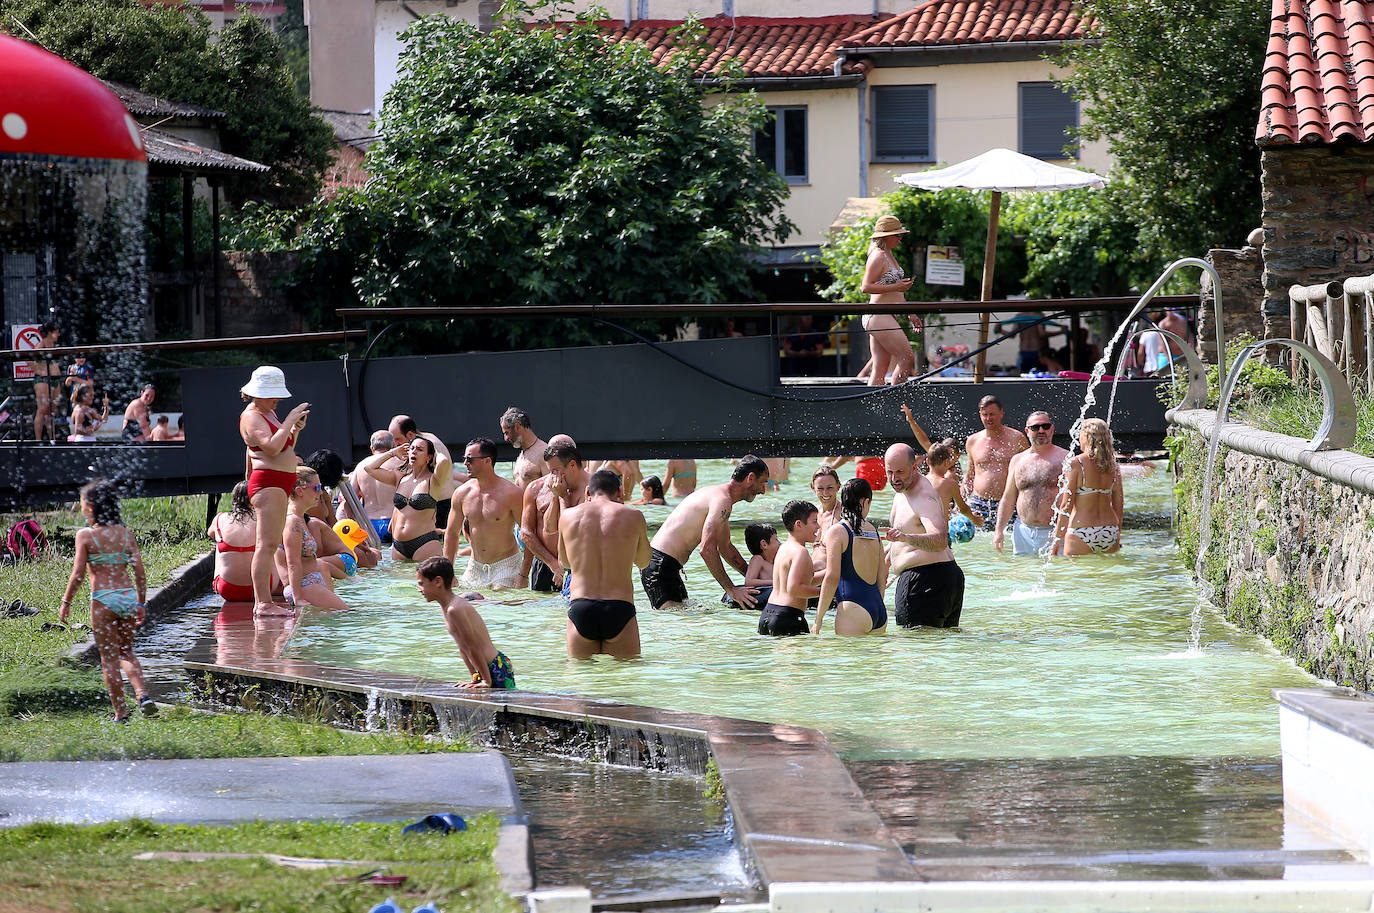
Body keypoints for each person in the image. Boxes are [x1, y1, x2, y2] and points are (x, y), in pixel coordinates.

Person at [60, 480, 156, 723]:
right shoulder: (126, 534)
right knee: (127, 652)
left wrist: (66, 602)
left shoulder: (86, 536)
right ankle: (143, 695)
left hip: (103, 600)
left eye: (81, 504)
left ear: (90, 507)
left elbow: (79, 574)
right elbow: (140, 573)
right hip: (126, 598)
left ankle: (120, 714)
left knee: (109, 659)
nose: (80, 508)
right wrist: (141, 604)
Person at [642, 455, 769, 610]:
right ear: (750, 478)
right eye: (762, 482)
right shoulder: (721, 501)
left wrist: (754, 577)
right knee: (676, 624)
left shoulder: (722, 498)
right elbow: (707, 550)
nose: (763, 490)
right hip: (659, 566)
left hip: (667, 566)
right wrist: (731, 589)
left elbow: (726, 548)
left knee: (684, 620)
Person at [558, 468, 651, 658]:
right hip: (619, 608)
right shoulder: (634, 516)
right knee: (626, 680)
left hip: (581, 607)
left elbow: (564, 562)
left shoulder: (567, 516)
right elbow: (644, 562)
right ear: (620, 492)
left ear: (587, 493)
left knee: (580, 679)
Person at [238, 366, 309, 617]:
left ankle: (265, 601)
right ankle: (263, 603)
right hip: (268, 483)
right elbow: (269, 448)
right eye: (273, 395)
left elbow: (283, 448)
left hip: (279, 481)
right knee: (266, 545)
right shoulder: (252, 415)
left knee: (270, 543)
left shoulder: (268, 413)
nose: (277, 400)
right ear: (258, 393)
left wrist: (293, 430)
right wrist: (289, 419)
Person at [885, 443, 963, 628]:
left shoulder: (923, 496)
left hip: (926, 581)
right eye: (890, 472)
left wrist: (905, 538)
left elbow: (940, 540)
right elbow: (898, 541)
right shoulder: (903, 491)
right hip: (941, 577)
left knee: (913, 651)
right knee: (938, 648)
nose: (894, 478)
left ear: (914, 467)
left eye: (900, 472)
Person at [416, 556, 516, 689]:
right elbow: (462, 647)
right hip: (485, 669)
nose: (419, 589)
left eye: (421, 583)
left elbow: (473, 646)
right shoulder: (445, 607)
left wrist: (486, 681)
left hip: (495, 667)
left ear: (438, 581)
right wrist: (474, 677)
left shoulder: (454, 609)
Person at [444, 437, 525, 589]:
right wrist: (447, 571)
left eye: (470, 459)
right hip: (475, 566)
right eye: (465, 459)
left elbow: (528, 534)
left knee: (499, 600)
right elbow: (452, 533)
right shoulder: (461, 493)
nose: (465, 463)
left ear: (487, 461)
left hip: (506, 565)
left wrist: (524, 574)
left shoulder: (512, 493)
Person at [813, 478, 888, 637]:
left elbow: (832, 577)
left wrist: (818, 619)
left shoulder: (837, 531)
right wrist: (877, 605)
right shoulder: (874, 532)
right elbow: (882, 575)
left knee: (847, 661)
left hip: (853, 608)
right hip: (879, 610)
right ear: (866, 501)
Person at [993, 412, 1069, 557]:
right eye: (1035, 427)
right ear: (1027, 431)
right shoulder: (1017, 460)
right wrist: (998, 531)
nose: (1041, 430)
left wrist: (1061, 533)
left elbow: (1072, 500)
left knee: (1056, 576)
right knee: (1022, 575)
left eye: (1045, 426)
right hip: (1022, 531)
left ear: (1052, 429)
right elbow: (1008, 498)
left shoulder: (1066, 458)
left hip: (1054, 531)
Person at [275, 467, 350, 610]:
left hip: (311, 584)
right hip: (304, 586)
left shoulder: (300, 519)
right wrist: (297, 598)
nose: (320, 492)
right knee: (347, 616)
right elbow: (293, 563)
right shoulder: (292, 522)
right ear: (299, 491)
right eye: (316, 488)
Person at [860, 215, 922, 386]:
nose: (900, 238)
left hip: (881, 315)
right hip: (878, 315)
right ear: (885, 236)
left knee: (880, 365)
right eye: (897, 235)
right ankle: (896, 399)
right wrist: (896, 286)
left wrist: (910, 313)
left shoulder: (888, 255)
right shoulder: (878, 256)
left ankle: (873, 407)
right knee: (907, 357)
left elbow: (896, 293)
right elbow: (865, 287)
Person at [363, 437, 444, 563]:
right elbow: (369, 468)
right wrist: (393, 452)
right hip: (398, 546)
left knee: (426, 581)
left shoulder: (434, 481)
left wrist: (435, 454)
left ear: (429, 457)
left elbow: (444, 462)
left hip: (425, 543)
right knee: (398, 582)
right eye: (411, 449)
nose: (414, 452)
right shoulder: (400, 478)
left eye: (419, 449)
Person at [524, 438, 586, 594]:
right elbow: (548, 529)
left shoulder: (590, 488)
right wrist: (553, 564)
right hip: (546, 564)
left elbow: (572, 531)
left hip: (579, 565)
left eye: (556, 470)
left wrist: (562, 496)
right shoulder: (537, 487)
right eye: (551, 470)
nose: (553, 476)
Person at [1054, 418, 1124, 556]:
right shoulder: (1113, 466)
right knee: (1107, 576)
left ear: (1087, 436)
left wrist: (1056, 539)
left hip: (1081, 530)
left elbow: (1066, 505)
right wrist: (1117, 532)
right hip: (1109, 529)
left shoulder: (1076, 463)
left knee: (1077, 575)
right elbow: (1119, 505)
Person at [962, 395, 1029, 530]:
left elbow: (1028, 470)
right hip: (979, 503)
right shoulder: (972, 441)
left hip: (1009, 502)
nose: (988, 419)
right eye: (985, 415)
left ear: (1001, 413)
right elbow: (970, 475)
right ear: (980, 415)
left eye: (992, 414)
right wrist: (961, 503)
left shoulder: (1017, 438)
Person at [759, 500, 822, 637]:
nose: (818, 526)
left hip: (768, 614)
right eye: (814, 521)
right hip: (788, 617)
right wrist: (828, 592)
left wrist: (831, 574)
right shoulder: (800, 552)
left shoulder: (784, 548)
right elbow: (794, 589)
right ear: (799, 524)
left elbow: (803, 582)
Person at [209, 481, 279, 602]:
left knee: (219, 542)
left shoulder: (220, 518)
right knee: (271, 545)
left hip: (228, 589)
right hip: (264, 588)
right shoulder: (265, 519)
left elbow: (210, 534)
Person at [389, 415, 462, 529]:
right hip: (437, 501)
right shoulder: (427, 439)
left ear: (410, 435)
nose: (395, 444)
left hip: (440, 504)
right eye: (392, 438)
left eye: (397, 439)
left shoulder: (429, 444)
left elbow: (443, 462)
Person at [346, 431, 398, 543]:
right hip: (394, 522)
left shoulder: (361, 466)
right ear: (393, 446)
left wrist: (355, 524)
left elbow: (349, 501)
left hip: (369, 524)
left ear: (372, 448)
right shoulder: (399, 463)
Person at [926, 439, 978, 527]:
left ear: (927, 462)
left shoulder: (919, 481)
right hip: (941, 534)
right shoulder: (950, 483)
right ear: (947, 461)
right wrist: (973, 518)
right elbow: (964, 509)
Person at [998, 312, 1064, 374]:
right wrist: (1061, 331)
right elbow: (1042, 333)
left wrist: (1000, 330)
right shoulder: (1039, 315)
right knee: (1041, 376)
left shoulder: (1019, 316)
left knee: (1025, 376)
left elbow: (1012, 335)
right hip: (1037, 351)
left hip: (1024, 350)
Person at [500, 406, 549, 490]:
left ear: (517, 427)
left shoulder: (544, 453)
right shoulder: (521, 456)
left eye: (507, 433)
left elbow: (551, 492)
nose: (506, 438)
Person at [29, 322, 61, 441]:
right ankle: (38, 440)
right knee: (42, 410)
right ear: (50, 333)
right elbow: (29, 360)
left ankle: (52, 439)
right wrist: (42, 372)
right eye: (56, 332)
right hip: (43, 380)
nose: (58, 335)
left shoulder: (53, 346)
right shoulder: (41, 345)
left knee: (52, 410)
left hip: (55, 379)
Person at [742, 522, 779, 607]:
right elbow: (749, 582)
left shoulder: (776, 561)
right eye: (776, 539)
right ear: (764, 544)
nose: (779, 543)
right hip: (764, 599)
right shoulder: (758, 559)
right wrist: (775, 582)